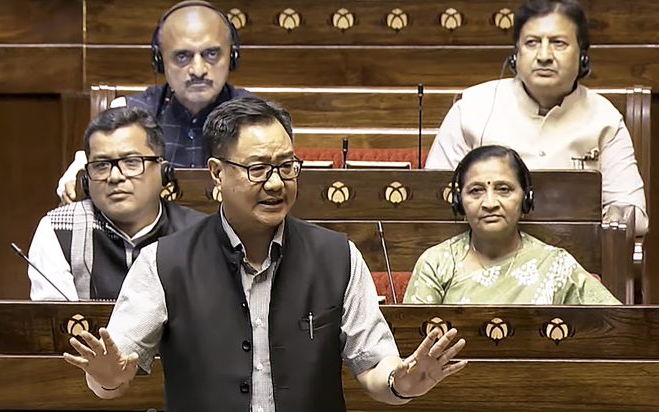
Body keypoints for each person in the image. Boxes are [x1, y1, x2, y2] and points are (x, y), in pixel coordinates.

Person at [63, 96, 467, 410]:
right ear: (217, 173)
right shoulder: (164, 263)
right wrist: (106, 378)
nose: (275, 184)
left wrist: (402, 382)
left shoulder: (337, 257)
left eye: (286, 166)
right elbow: (112, 373)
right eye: (258, 169)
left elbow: (376, 365)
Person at [425, 0, 648, 235]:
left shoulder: (604, 119)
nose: (544, 56)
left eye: (558, 43)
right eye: (532, 43)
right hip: (481, 250)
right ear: (516, 55)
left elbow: (634, 215)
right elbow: (432, 201)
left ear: (582, 55)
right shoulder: (471, 109)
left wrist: (611, 219)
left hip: (573, 252)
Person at [57, 1, 250, 203]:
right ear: (160, 60)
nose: (198, 70)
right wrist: (75, 183)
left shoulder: (261, 118)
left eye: (211, 54)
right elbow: (79, 176)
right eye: (182, 56)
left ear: (232, 55)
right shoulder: (127, 114)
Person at [405, 145, 621, 305]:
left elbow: (616, 328)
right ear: (459, 202)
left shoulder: (556, 264)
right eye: (476, 191)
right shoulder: (437, 263)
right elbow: (414, 344)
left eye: (504, 189)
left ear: (526, 199)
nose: (490, 203)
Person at [28, 107, 204, 301]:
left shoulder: (201, 235)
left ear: (163, 172)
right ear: (87, 179)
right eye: (101, 165)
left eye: (131, 162)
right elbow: (56, 317)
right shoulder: (58, 230)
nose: (114, 176)